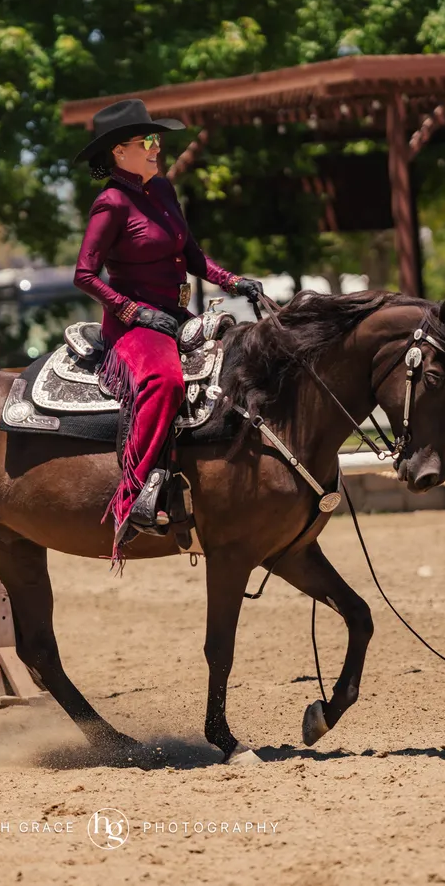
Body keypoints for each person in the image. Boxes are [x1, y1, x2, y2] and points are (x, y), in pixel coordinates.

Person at [71, 98, 264, 560]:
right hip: (133, 325)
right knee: (164, 381)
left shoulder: (163, 192)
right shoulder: (110, 203)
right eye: (149, 141)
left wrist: (234, 282)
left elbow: (194, 257)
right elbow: (84, 275)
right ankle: (135, 494)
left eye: (157, 140)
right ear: (120, 152)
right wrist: (134, 313)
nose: (159, 148)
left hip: (177, 316)